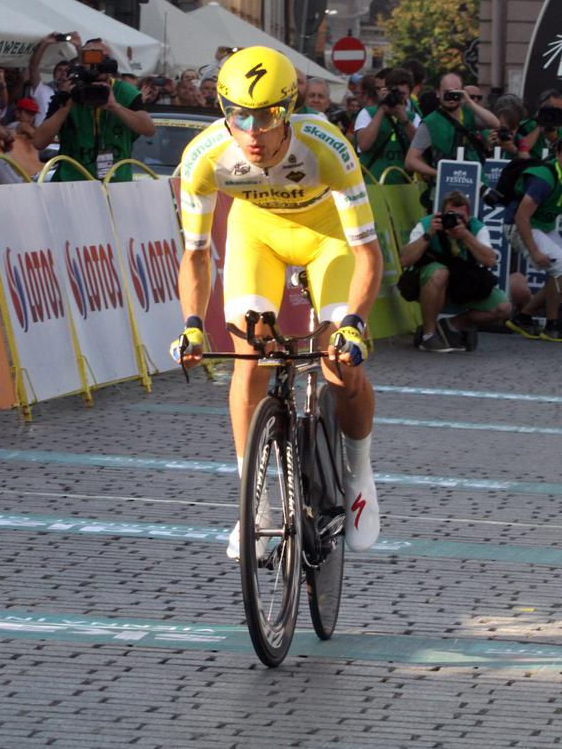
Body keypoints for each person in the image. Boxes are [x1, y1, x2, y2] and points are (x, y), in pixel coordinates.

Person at [171, 45, 383, 559]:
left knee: (338, 365)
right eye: (237, 115)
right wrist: (194, 324)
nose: (252, 132)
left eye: (266, 116)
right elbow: (197, 256)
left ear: (287, 109)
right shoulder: (203, 158)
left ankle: (359, 475)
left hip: (328, 237)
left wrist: (354, 322)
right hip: (256, 236)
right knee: (249, 361)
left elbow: (368, 255)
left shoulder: (327, 147)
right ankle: (256, 503)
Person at [399, 190, 511, 352]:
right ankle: (429, 336)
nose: (455, 221)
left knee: (503, 308)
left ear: (469, 217)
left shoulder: (476, 228)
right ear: (442, 214)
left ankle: (450, 325)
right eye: (451, 216)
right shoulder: (427, 224)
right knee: (440, 272)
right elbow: (405, 260)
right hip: (430, 284)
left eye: (461, 217)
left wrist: (466, 235)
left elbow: (490, 260)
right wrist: (429, 234)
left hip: (463, 286)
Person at [32, 38, 155, 182]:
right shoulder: (68, 94)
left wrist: (115, 107)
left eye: (103, 59)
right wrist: (67, 105)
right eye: (90, 58)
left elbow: (149, 129)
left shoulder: (125, 92)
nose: (96, 65)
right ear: (81, 63)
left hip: (115, 184)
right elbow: (39, 142)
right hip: (72, 183)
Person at [405, 72, 500, 205]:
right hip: (446, 190)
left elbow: (495, 123)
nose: (451, 97)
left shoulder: (469, 112)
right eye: (446, 92)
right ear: (438, 93)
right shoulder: (430, 123)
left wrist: (469, 101)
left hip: (475, 185)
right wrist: (439, 173)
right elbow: (410, 161)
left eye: (455, 92)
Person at [504, 138, 562, 342]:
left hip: (543, 226)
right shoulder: (543, 179)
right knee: (560, 267)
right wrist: (535, 251)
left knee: (559, 270)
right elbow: (521, 216)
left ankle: (525, 316)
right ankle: (552, 325)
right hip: (519, 225)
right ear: (558, 154)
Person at [354, 67, 419, 181]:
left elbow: (421, 148)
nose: (398, 97)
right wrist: (382, 109)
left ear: (409, 94)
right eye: (395, 92)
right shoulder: (368, 113)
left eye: (402, 94)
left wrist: (404, 119)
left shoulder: (413, 118)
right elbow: (364, 145)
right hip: (372, 184)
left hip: (403, 185)